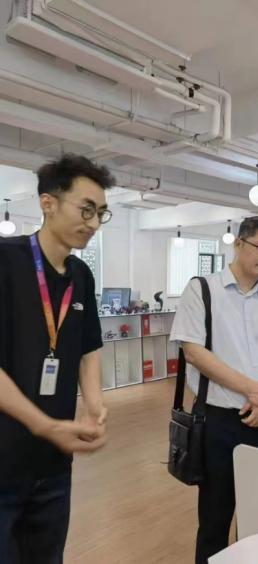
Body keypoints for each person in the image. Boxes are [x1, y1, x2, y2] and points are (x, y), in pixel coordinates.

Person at [0, 154, 113, 563]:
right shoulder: (5, 260)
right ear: (48, 203)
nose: (94, 222)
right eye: (86, 209)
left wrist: (95, 404)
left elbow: (88, 347)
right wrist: (43, 424)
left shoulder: (80, 276)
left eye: (101, 213)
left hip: (53, 464)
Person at [170, 216, 258, 564]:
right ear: (239, 244)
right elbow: (194, 352)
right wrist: (253, 390)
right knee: (215, 517)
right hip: (218, 422)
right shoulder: (202, 289)